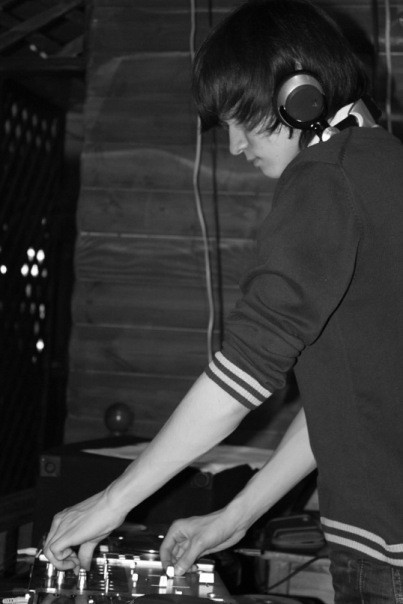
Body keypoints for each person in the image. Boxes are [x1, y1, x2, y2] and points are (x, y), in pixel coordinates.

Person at [44, 0, 403, 601]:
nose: (235, 145)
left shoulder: (326, 176)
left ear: (299, 98)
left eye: (242, 120)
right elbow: (349, 403)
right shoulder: (382, 167)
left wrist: (112, 501)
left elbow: (246, 369)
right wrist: (237, 517)